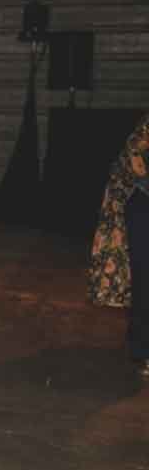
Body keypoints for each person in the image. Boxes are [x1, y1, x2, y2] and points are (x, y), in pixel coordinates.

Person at [89, 113, 149, 378]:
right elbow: (132, 166)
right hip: (143, 207)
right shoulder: (144, 133)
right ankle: (143, 349)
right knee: (145, 280)